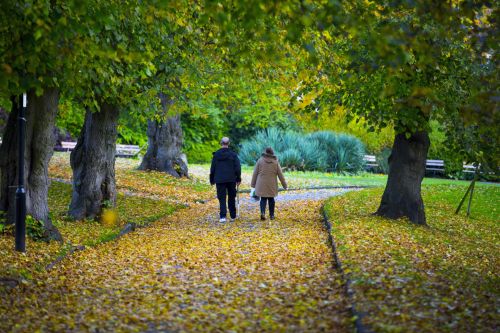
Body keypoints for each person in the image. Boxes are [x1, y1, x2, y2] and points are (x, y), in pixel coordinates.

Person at [210, 137, 241, 223]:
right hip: (231, 179)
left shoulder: (216, 155)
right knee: (231, 196)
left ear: (221, 143)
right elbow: (238, 167)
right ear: (229, 143)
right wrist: (238, 178)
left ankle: (223, 216)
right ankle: (233, 215)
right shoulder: (233, 155)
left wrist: (212, 179)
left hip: (219, 179)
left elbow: (213, 168)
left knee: (222, 197)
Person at [251, 147, 287, 220]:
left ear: (265, 152)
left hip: (261, 184)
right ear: (272, 153)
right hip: (272, 184)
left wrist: (253, 185)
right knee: (271, 199)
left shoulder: (260, 160)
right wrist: (285, 185)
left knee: (263, 199)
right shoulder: (275, 162)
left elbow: (255, 173)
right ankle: (272, 215)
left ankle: (263, 213)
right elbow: (280, 175)